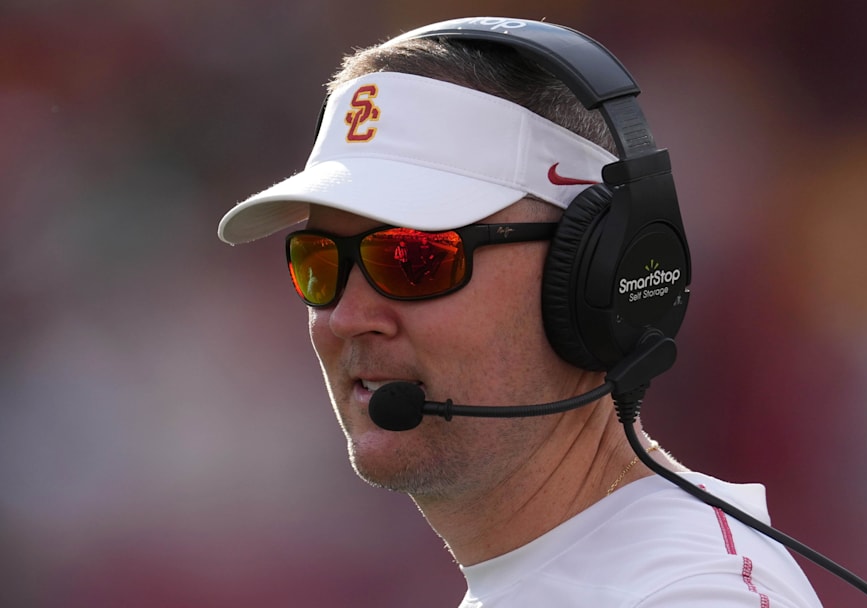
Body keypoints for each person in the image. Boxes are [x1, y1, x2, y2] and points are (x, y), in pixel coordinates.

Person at [218, 16, 825, 608]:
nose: (346, 316)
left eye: (416, 258)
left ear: (592, 275)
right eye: (318, 263)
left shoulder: (689, 595)